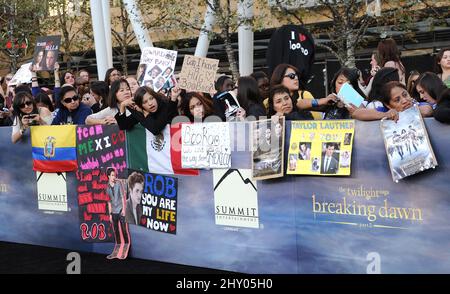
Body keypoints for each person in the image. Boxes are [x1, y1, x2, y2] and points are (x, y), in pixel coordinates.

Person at [106, 167, 129, 260]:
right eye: (112, 175)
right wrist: (110, 214)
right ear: (108, 176)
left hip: (120, 209)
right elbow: (109, 202)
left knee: (124, 229)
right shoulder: (107, 187)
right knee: (116, 230)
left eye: (114, 175)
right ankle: (118, 247)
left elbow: (123, 196)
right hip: (113, 212)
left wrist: (124, 209)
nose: (113, 177)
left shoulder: (118, 184)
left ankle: (126, 245)